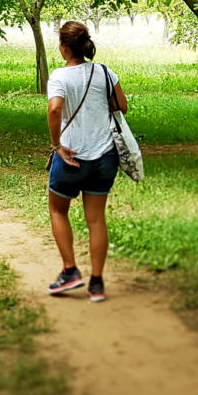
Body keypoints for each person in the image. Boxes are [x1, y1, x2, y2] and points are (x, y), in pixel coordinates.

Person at [47, 21, 127, 303]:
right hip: (105, 155)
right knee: (96, 219)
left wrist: (57, 145)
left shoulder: (59, 77)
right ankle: (96, 283)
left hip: (72, 156)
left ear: (65, 47)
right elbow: (122, 107)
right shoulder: (105, 72)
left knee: (58, 210)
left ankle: (70, 271)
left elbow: (55, 109)